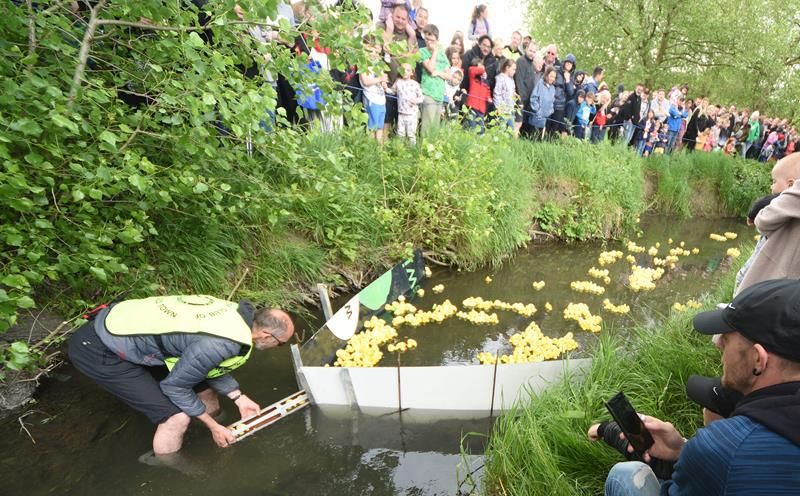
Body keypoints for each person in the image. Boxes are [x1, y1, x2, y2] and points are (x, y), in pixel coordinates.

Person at [594, 278, 800, 495]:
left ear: (759, 360)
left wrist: (693, 456)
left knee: (624, 475)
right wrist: (682, 450)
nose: (718, 343)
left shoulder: (726, 448)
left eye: (727, 339)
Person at [68, 295, 294, 454]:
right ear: (265, 335)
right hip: (99, 348)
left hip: (131, 334)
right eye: (281, 344)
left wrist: (238, 397)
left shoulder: (235, 314)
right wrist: (212, 427)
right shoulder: (222, 343)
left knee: (206, 391)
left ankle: (210, 426)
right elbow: (174, 386)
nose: (279, 346)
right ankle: (171, 467)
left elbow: (206, 362)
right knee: (176, 418)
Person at [737, 152, 800, 291]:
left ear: (791, 184)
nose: (772, 186)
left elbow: (763, 222)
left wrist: (762, 205)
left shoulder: (791, 201)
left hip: (766, 282)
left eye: (774, 181)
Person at [418, 24, 450, 136]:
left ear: (437, 39)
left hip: (439, 95)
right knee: (426, 129)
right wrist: (435, 52)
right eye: (426, 39)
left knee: (435, 130)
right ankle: (423, 152)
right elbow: (431, 69)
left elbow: (449, 75)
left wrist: (438, 73)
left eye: (432, 40)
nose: (429, 42)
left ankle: (432, 151)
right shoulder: (422, 51)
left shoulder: (443, 54)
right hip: (428, 93)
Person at [389, 63, 424, 144]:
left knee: (411, 134)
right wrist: (385, 88)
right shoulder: (398, 82)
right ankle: (400, 150)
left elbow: (421, 98)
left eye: (408, 70)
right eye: (403, 70)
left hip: (412, 114)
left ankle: (412, 151)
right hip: (401, 113)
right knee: (400, 133)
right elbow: (392, 91)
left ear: (412, 72)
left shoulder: (415, 84)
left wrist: (415, 100)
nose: (405, 72)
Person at [550, 53, 576, 136]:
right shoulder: (556, 70)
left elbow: (571, 92)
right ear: (564, 62)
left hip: (561, 105)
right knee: (546, 125)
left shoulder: (571, 77)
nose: (568, 64)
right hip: (551, 101)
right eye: (567, 62)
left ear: (573, 66)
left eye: (571, 63)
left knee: (554, 127)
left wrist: (567, 80)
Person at [493, 58, 519, 134]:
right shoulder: (500, 78)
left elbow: (512, 92)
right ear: (507, 68)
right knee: (501, 129)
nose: (515, 72)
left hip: (510, 109)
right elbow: (497, 94)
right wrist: (499, 108)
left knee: (511, 130)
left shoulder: (512, 80)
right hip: (502, 110)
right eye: (513, 69)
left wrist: (515, 95)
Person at [529, 65, 556, 138]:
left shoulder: (553, 88)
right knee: (532, 137)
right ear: (546, 75)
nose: (552, 78)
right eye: (551, 76)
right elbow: (533, 98)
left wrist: (550, 111)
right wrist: (537, 110)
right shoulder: (540, 83)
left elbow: (552, 102)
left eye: (554, 77)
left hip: (545, 118)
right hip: (536, 116)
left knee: (540, 138)